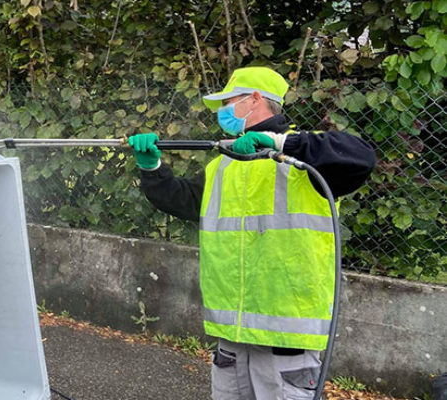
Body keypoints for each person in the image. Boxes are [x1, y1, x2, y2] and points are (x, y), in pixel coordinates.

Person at [127, 66, 376, 400]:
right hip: (233, 336)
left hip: (286, 341)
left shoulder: (303, 157)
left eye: (229, 102)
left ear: (256, 98)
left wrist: (280, 142)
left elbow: (361, 157)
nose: (222, 112)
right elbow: (184, 200)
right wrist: (152, 169)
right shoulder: (223, 165)